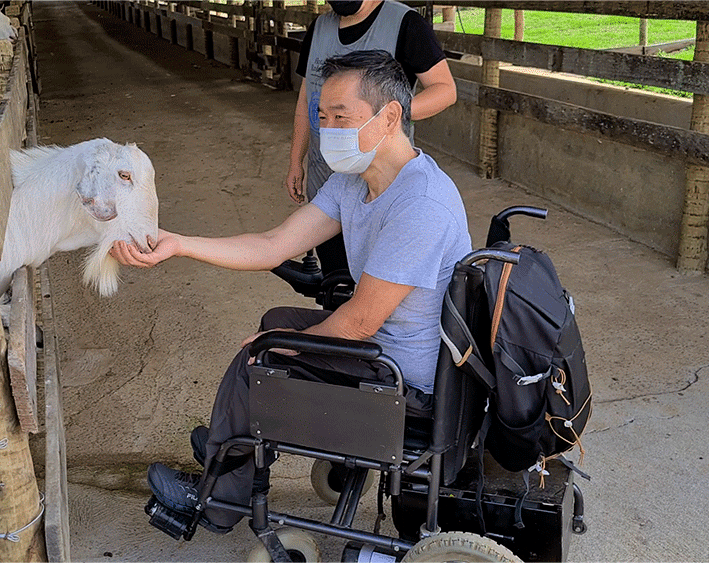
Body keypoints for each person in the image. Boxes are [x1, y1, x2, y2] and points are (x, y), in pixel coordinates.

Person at [110, 50, 471, 533]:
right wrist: (179, 244)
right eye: (322, 117)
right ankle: (232, 441)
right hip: (384, 343)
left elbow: (360, 322)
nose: (328, 130)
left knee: (259, 356)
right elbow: (274, 244)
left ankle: (219, 497)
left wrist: (277, 346)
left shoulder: (420, 204)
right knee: (274, 322)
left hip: (406, 376)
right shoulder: (357, 181)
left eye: (342, 117)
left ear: (390, 117)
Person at [286, 0, 458, 277]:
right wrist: (296, 159)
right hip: (326, 178)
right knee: (335, 281)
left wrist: (386, 119)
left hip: (380, 183)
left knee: (376, 286)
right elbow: (307, 99)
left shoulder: (405, 24)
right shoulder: (319, 27)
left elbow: (445, 90)